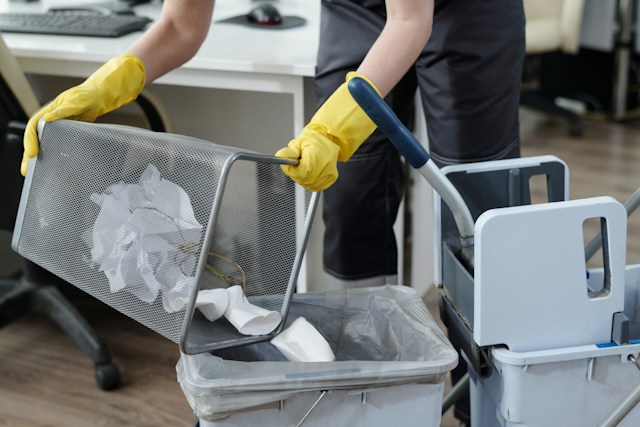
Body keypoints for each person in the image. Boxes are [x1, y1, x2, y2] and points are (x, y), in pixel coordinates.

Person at [21, 0, 525, 425]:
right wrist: (105, 85)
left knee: (474, 212)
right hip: (357, 10)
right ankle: (365, 394)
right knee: (349, 202)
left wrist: (331, 131)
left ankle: (490, 405)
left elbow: (410, 22)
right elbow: (180, 24)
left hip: (466, 12)